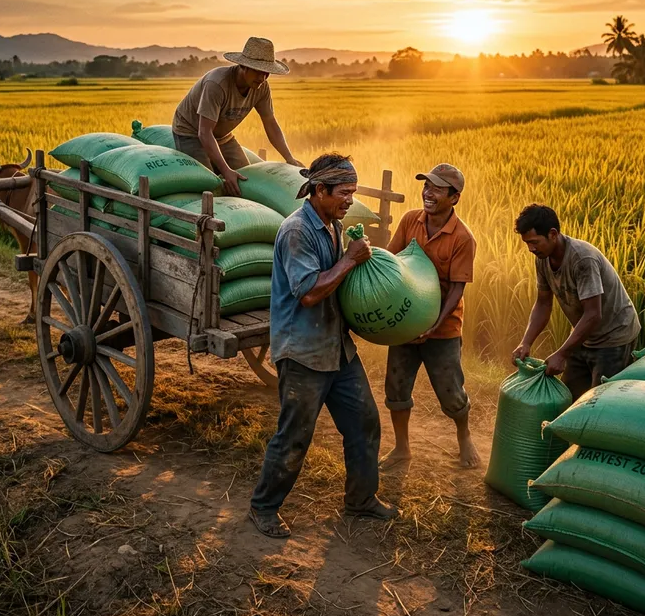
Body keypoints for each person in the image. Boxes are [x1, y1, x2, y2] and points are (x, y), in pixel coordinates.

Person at [250, 153, 397, 538]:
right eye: (344, 193)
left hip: (336, 346)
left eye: (353, 192)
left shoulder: (333, 224)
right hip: (303, 351)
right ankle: (263, 507)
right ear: (319, 190)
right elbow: (310, 294)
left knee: (365, 422)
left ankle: (361, 500)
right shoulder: (297, 230)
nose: (350, 200)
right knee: (295, 434)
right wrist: (350, 260)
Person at [380, 164, 480, 470]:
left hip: (443, 329)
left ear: (455, 197)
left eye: (437, 188)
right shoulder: (411, 220)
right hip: (406, 322)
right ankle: (402, 448)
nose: (428, 193)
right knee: (396, 388)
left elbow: (457, 289)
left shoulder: (462, 238)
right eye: (427, 186)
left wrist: (434, 324)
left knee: (451, 392)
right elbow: (391, 258)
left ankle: (464, 438)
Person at [512, 203, 640, 401]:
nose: (530, 248)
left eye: (534, 242)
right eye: (527, 243)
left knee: (600, 403)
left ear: (553, 234)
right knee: (569, 399)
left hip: (614, 336)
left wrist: (562, 354)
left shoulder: (582, 259)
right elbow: (543, 304)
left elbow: (593, 314)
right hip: (585, 334)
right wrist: (526, 342)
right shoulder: (543, 258)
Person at [172, 36, 303, 196]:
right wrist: (225, 170)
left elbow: (270, 123)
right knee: (208, 185)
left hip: (223, 136)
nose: (262, 78)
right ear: (243, 66)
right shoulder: (217, 84)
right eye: (257, 72)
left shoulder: (261, 87)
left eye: (266, 73)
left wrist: (289, 158)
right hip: (191, 132)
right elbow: (204, 132)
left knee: (245, 180)